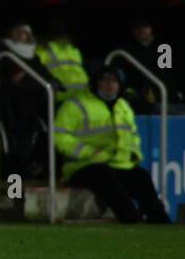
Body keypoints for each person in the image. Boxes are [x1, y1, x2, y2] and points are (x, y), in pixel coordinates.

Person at [53, 65, 169, 223]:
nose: (110, 84)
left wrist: (133, 156)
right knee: (103, 175)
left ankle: (159, 219)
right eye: (105, 80)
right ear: (96, 82)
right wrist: (88, 152)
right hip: (82, 165)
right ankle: (130, 217)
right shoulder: (75, 105)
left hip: (117, 164)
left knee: (141, 176)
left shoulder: (123, 106)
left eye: (114, 81)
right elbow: (59, 136)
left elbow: (132, 135)